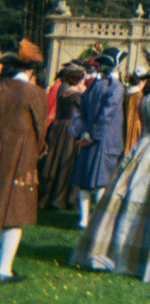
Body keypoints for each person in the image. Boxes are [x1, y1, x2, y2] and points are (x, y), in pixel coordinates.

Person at [70, 51, 150, 281]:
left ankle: (126, 247)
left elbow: (146, 128)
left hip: (146, 146)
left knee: (137, 195)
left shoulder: (147, 99)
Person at [0, 40, 48, 283]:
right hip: (21, 155)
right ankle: (4, 269)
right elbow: (41, 130)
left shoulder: (1, 87)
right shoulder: (35, 93)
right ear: (31, 69)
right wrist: (38, 152)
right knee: (14, 212)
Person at [70, 47, 127, 229]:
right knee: (102, 181)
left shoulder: (94, 85)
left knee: (86, 180)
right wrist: (93, 136)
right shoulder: (116, 87)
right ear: (117, 66)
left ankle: (84, 218)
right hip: (105, 139)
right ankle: (96, 219)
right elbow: (106, 114)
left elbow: (81, 110)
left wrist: (83, 132)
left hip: (90, 136)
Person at [38, 62, 85, 211]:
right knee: (67, 163)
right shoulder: (77, 95)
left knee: (53, 162)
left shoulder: (62, 92)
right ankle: (61, 199)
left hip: (58, 127)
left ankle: (46, 197)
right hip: (70, 129)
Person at [122, 66, 149, 154]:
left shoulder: (126, 94)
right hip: (136, 132)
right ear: (142, 82)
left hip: (123, 129)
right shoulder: (140, 96)